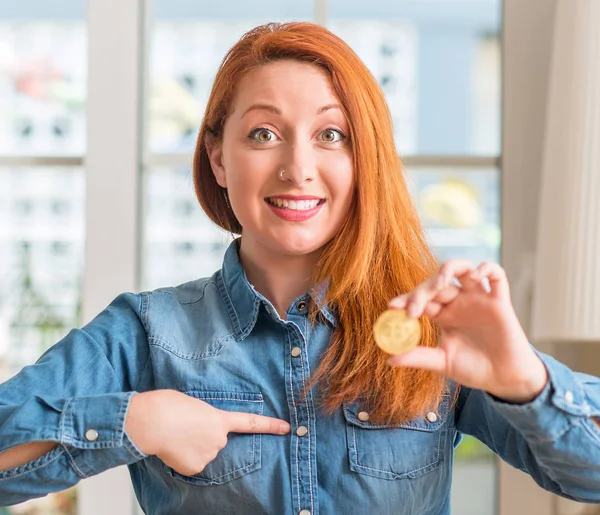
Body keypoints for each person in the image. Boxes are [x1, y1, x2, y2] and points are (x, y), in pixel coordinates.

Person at [1, 21, 599, 515]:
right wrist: (139, 420)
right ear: (218, 159)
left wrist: (527, 383)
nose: (298, 167)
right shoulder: (146, 332)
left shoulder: (432, 330)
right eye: (264, 133)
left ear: (364, 160)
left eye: (330, 135)